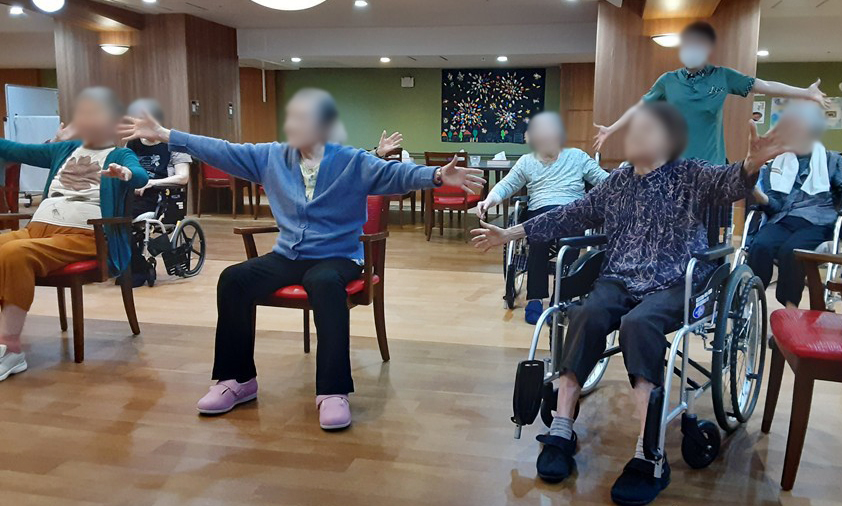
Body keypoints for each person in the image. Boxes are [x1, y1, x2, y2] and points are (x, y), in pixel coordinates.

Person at [471, 102, 798, 506]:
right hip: (619, 277)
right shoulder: (618, 182)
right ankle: (561, 427)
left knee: (638, 324)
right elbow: (571, 215)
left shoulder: (690, 174)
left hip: (676, 280)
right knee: (586, 314)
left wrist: (751, 165)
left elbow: (728, 183)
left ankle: (649, 452)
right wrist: (510, 234)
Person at [118, 88, 485, 429]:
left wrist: (438, 175)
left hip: (339, 255)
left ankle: (333, 391)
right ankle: (237, 380)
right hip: (289, 255)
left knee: (323, 282)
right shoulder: (271, 156)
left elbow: (396, 174)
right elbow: (222, 150)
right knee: (234, 279)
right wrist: (166, 134)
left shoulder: (352, 161)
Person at [0, 87, 148, 381]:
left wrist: (126, 174)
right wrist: (56, 140)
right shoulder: (63, 149)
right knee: (10, 249)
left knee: (14, 254)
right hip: (37, 229)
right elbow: (15, 149)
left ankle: (11, 348)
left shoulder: (120, 153)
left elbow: (140, 175)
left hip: (84, 236)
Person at [594, 21, 828, 165]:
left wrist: (806, 93)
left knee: (707, 225)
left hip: (711, 166)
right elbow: (641, 107)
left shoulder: (722, 76)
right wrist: (611, 128)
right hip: (675, 165)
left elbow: (764, 86)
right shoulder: (668, 80)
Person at [475, 112, 608, 324]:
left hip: (573, 210)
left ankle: (561, 296)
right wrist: (489, 200)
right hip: (540, 211)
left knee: (570, 242)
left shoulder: (578, 157)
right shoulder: (527, 162)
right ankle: (535, 298)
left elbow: (604, 181)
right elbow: (507, 185)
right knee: (538, 237)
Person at [748, 101, 842, 307]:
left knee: (792, 251)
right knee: (760, 245)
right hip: (783, 220)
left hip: (818, 223)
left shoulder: (832, 160)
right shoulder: (776, 164)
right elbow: (774, 206)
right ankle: (751, 299)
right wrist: (757, 193)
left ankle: (790, 307)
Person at [125, 99, 193, 219]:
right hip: (133, 193)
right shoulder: (131, 144)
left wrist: (151, 183)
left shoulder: (174, 144)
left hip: (159, 195)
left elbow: (183, 177)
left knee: (125, 213)